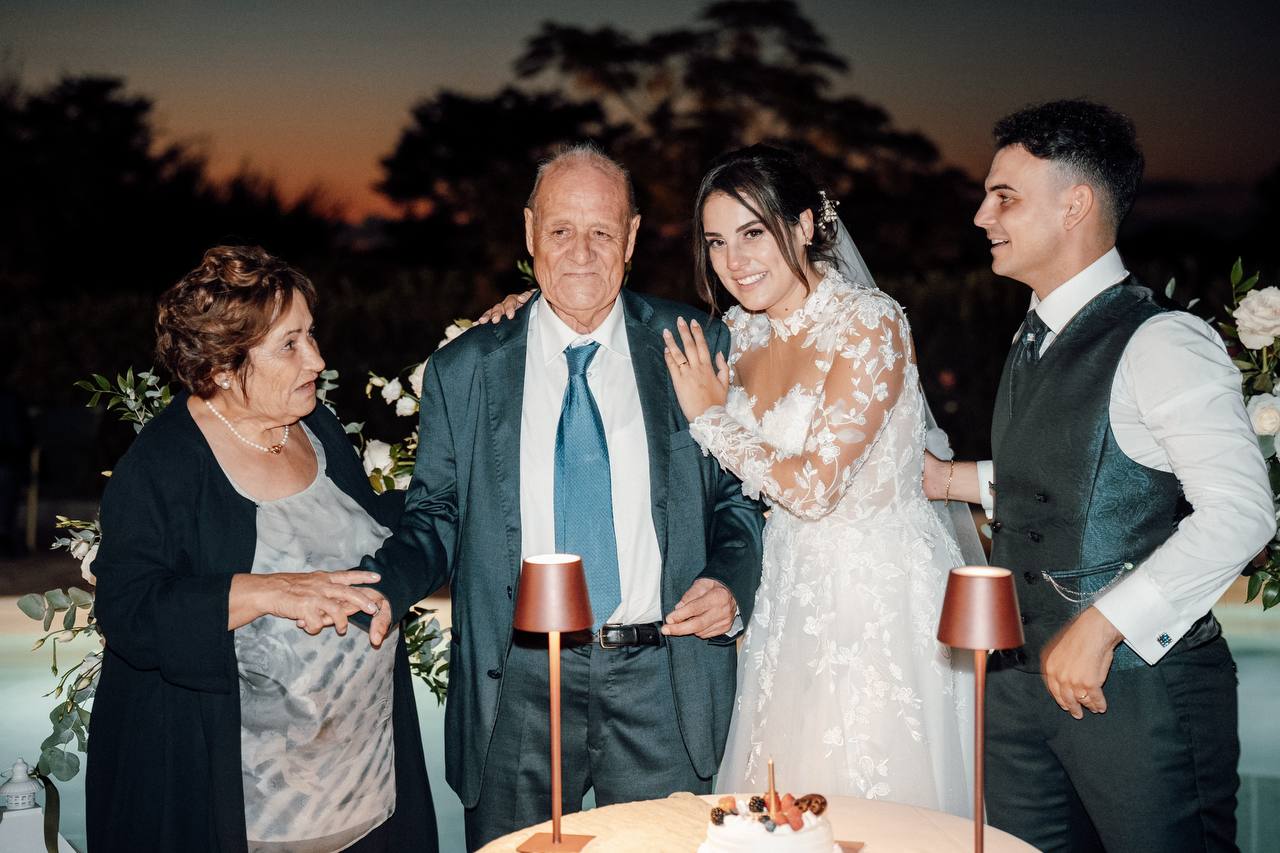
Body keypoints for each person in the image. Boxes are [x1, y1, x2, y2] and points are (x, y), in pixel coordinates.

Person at [481, 145, 977, 813]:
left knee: (870, 803)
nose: (734, 260)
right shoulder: (733, 332)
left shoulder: (871, 323)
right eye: (716, 241)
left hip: (873, 603)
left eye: (754, 233)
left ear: (803, 226)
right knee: (775, 809)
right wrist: (530, 307)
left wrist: (712, 419)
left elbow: (812, 489)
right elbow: (615, 335)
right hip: (782, 601)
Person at [358, 144, 765, 851]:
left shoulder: (695, 344)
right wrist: (385, 586)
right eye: (560, 231)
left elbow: (737, 499)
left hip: (663, 680)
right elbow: (435, 514)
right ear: (529, 233)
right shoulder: (465, 368)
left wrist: (732, 580)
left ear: (632, 239)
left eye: (602, 232)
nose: (580, 252)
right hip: (516, 686)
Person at [924, 100, 1274, 852]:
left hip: (1141, 693)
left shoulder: (1163, 340)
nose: (983, 214)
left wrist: (1103, 624)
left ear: (1076, 204)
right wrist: (951, 479)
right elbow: (1081, 470)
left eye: (1005, 196)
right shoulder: (1031, 331)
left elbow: (1243, 512)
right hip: (1020, 690)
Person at [87, 246, 438, 853]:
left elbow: (356, 529)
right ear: (223, 367)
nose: (318, 359)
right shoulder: (163, 466)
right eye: (291, 344)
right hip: (253, 811)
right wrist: (265, 591)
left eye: (312, 336)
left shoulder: (316, 425)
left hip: (367, 783)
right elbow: (127, 609)